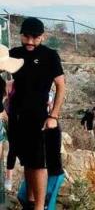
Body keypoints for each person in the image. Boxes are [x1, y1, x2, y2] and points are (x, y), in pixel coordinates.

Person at [8, 18, 66, 210]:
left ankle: (39, 207)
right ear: (21, 35)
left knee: (39, 163)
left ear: (43, 37)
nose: (30, 42)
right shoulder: (14, 54)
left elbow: (60, 86)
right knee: (26, 161)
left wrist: (53, 116)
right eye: (26, 37)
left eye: (35, 38)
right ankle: (30, 201)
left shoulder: (50, 56)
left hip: (39, 117)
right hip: (17, 117)